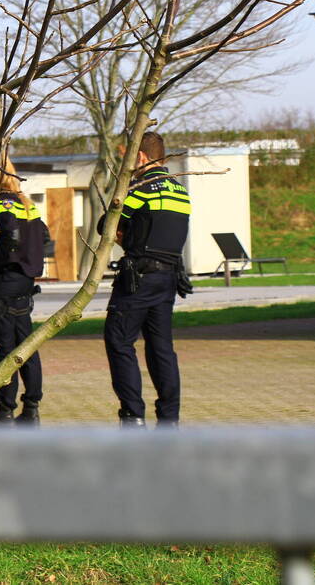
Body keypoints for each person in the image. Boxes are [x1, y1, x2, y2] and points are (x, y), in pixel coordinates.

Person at [99, 131, 191, 429]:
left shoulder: (142, 187)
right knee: (161, 348)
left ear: (140, 157)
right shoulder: (180, 190)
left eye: (127, 157)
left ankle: (133, 417)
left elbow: (107, 224)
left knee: (119, 340)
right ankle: (169, 420)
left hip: (137, 278)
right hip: (168, 278)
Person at [0, 156, 51, 427]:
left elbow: (9, 229)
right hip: (26, 282)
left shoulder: (1, 201)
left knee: (4, 349)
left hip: (6, 280)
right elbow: (44, 236)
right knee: (27, 347)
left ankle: (5, 412)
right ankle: (32, 408)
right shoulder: (28, 203)